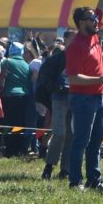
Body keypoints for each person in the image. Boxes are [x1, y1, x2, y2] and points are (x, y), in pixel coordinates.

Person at [63, 7, 103, 190]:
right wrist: (99, 79)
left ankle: (94, 178)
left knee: (97, 139)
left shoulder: (94, 35)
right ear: (82, 22)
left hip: (99, 96)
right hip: (83, 98)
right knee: (82, 139)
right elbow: (73, 77)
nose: (96, 21)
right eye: (92, 18)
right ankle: (75, 181)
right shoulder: (76, 46)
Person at [34, 37, 68, 179]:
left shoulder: (81, 58)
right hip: (59, 99)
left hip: (77, 99)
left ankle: (66, 170)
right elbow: (44, 80)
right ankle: (49, 166)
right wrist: (56, 89)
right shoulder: (55, 60)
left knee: (70, 137)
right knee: (59, 133)